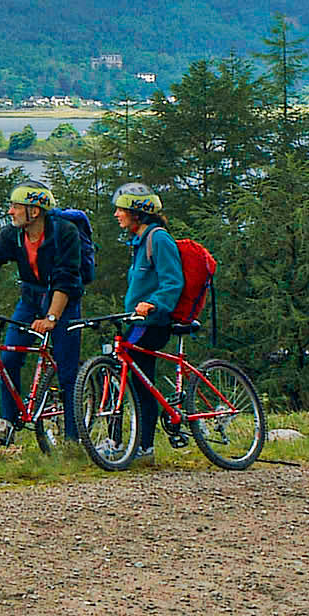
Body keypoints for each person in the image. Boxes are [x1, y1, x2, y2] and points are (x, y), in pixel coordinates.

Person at [0, 182, 91, 435]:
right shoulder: (13, 235)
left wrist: (52, 317)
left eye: (16, 207)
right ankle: (8, 423)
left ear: (34, 211)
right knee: (9, 358)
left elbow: (67, 278)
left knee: (67, 370)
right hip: (29, 300)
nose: (10, 211)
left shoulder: (65, 233)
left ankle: (74, 439)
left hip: (64, 302)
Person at [106, 183, 188, 435]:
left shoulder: (158, 238)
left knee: (139, 380)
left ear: (137, 213)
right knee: (123, 370)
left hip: (153, 323)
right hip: (137, 322)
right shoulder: (139, 242)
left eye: (121, 210)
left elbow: (173, 281)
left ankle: (143, 445)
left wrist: (153, 303)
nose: (116, 215)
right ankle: (121, 442)